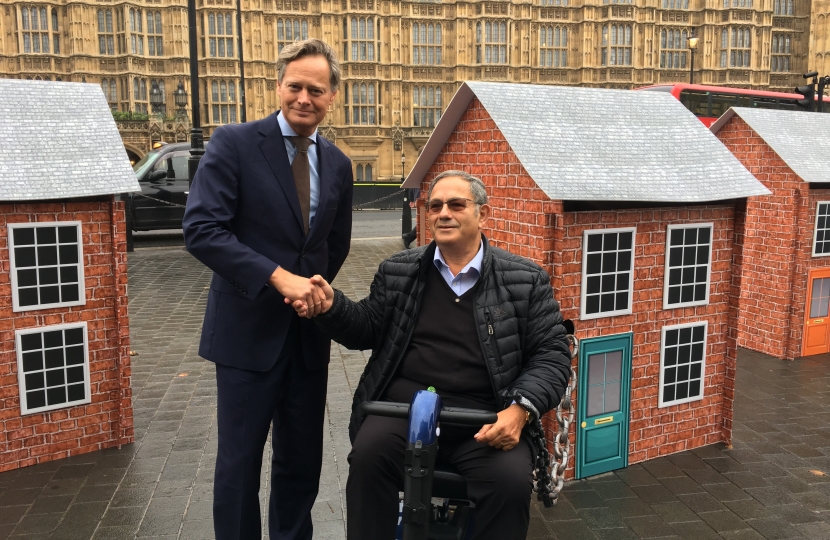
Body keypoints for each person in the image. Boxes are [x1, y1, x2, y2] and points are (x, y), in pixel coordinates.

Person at [294, 170, 572, 539]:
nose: (444, 213)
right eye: (435, 205)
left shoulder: (525, 279)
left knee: (509, 483)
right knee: (367, 459)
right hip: (402, 412)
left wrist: (520, 410)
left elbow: (551, 354)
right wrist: (332, 306)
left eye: (457, 204)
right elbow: (366, 328)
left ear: (483, 215)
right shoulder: (399, 271)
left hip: (485, 417)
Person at [182, 38, 353, 540]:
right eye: (295, 86)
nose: (304, 97)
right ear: (279, 86)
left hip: (306, 334)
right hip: (246, 332)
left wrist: (315, 291)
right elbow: (203, 230)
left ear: (332, 97)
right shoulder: (233, 142)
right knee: (239, 464)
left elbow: (333, 246)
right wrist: (278, 278)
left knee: (301, 460)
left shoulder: (340, 164)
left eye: (316, 90)